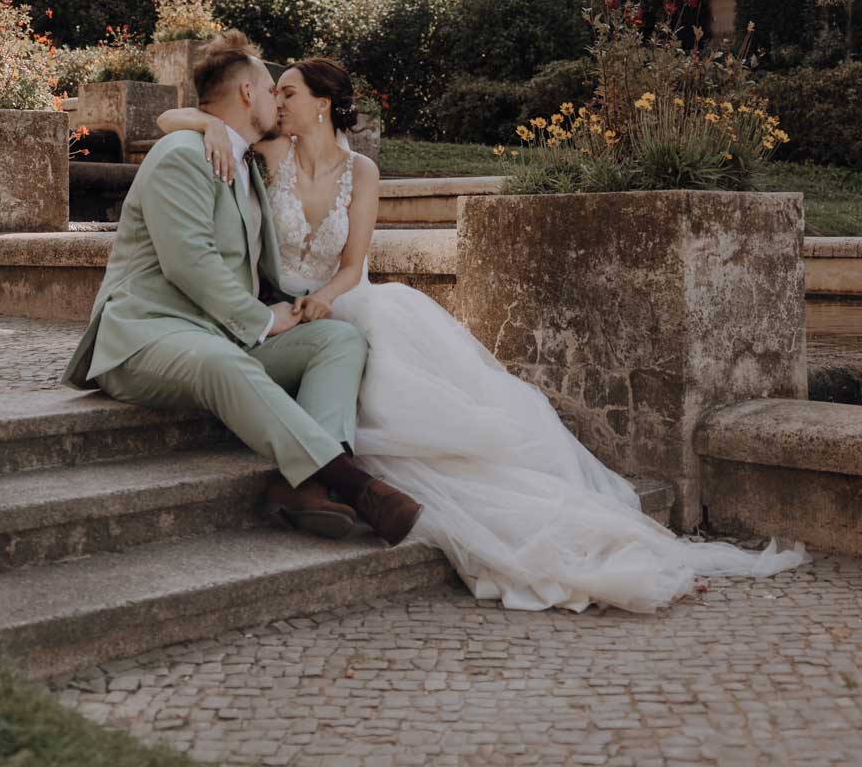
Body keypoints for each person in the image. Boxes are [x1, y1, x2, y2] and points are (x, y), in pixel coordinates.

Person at [158, 55, 809, 616]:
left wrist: (319, 302)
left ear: (322, 104)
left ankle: (356, 468)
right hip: (284, 308)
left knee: (386, 322)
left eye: (290, 91)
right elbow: (170, 123)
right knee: (369, 344)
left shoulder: (363, 173)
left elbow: (354, 265)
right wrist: (208, 122)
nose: (277, 100)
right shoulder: (266, 154)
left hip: (335, 300)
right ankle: (336, 474)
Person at [61, 32, 423, 547]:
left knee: (340, 340)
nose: (280, 99)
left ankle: (304, 486)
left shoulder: (249, 163)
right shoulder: (180, 155)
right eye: (273, 88)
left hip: (219, 336)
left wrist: (282, 312)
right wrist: (263, 320)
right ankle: (356, 486)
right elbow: (191, 264)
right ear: (249, 93)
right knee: (222, 360)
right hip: (144, 339)